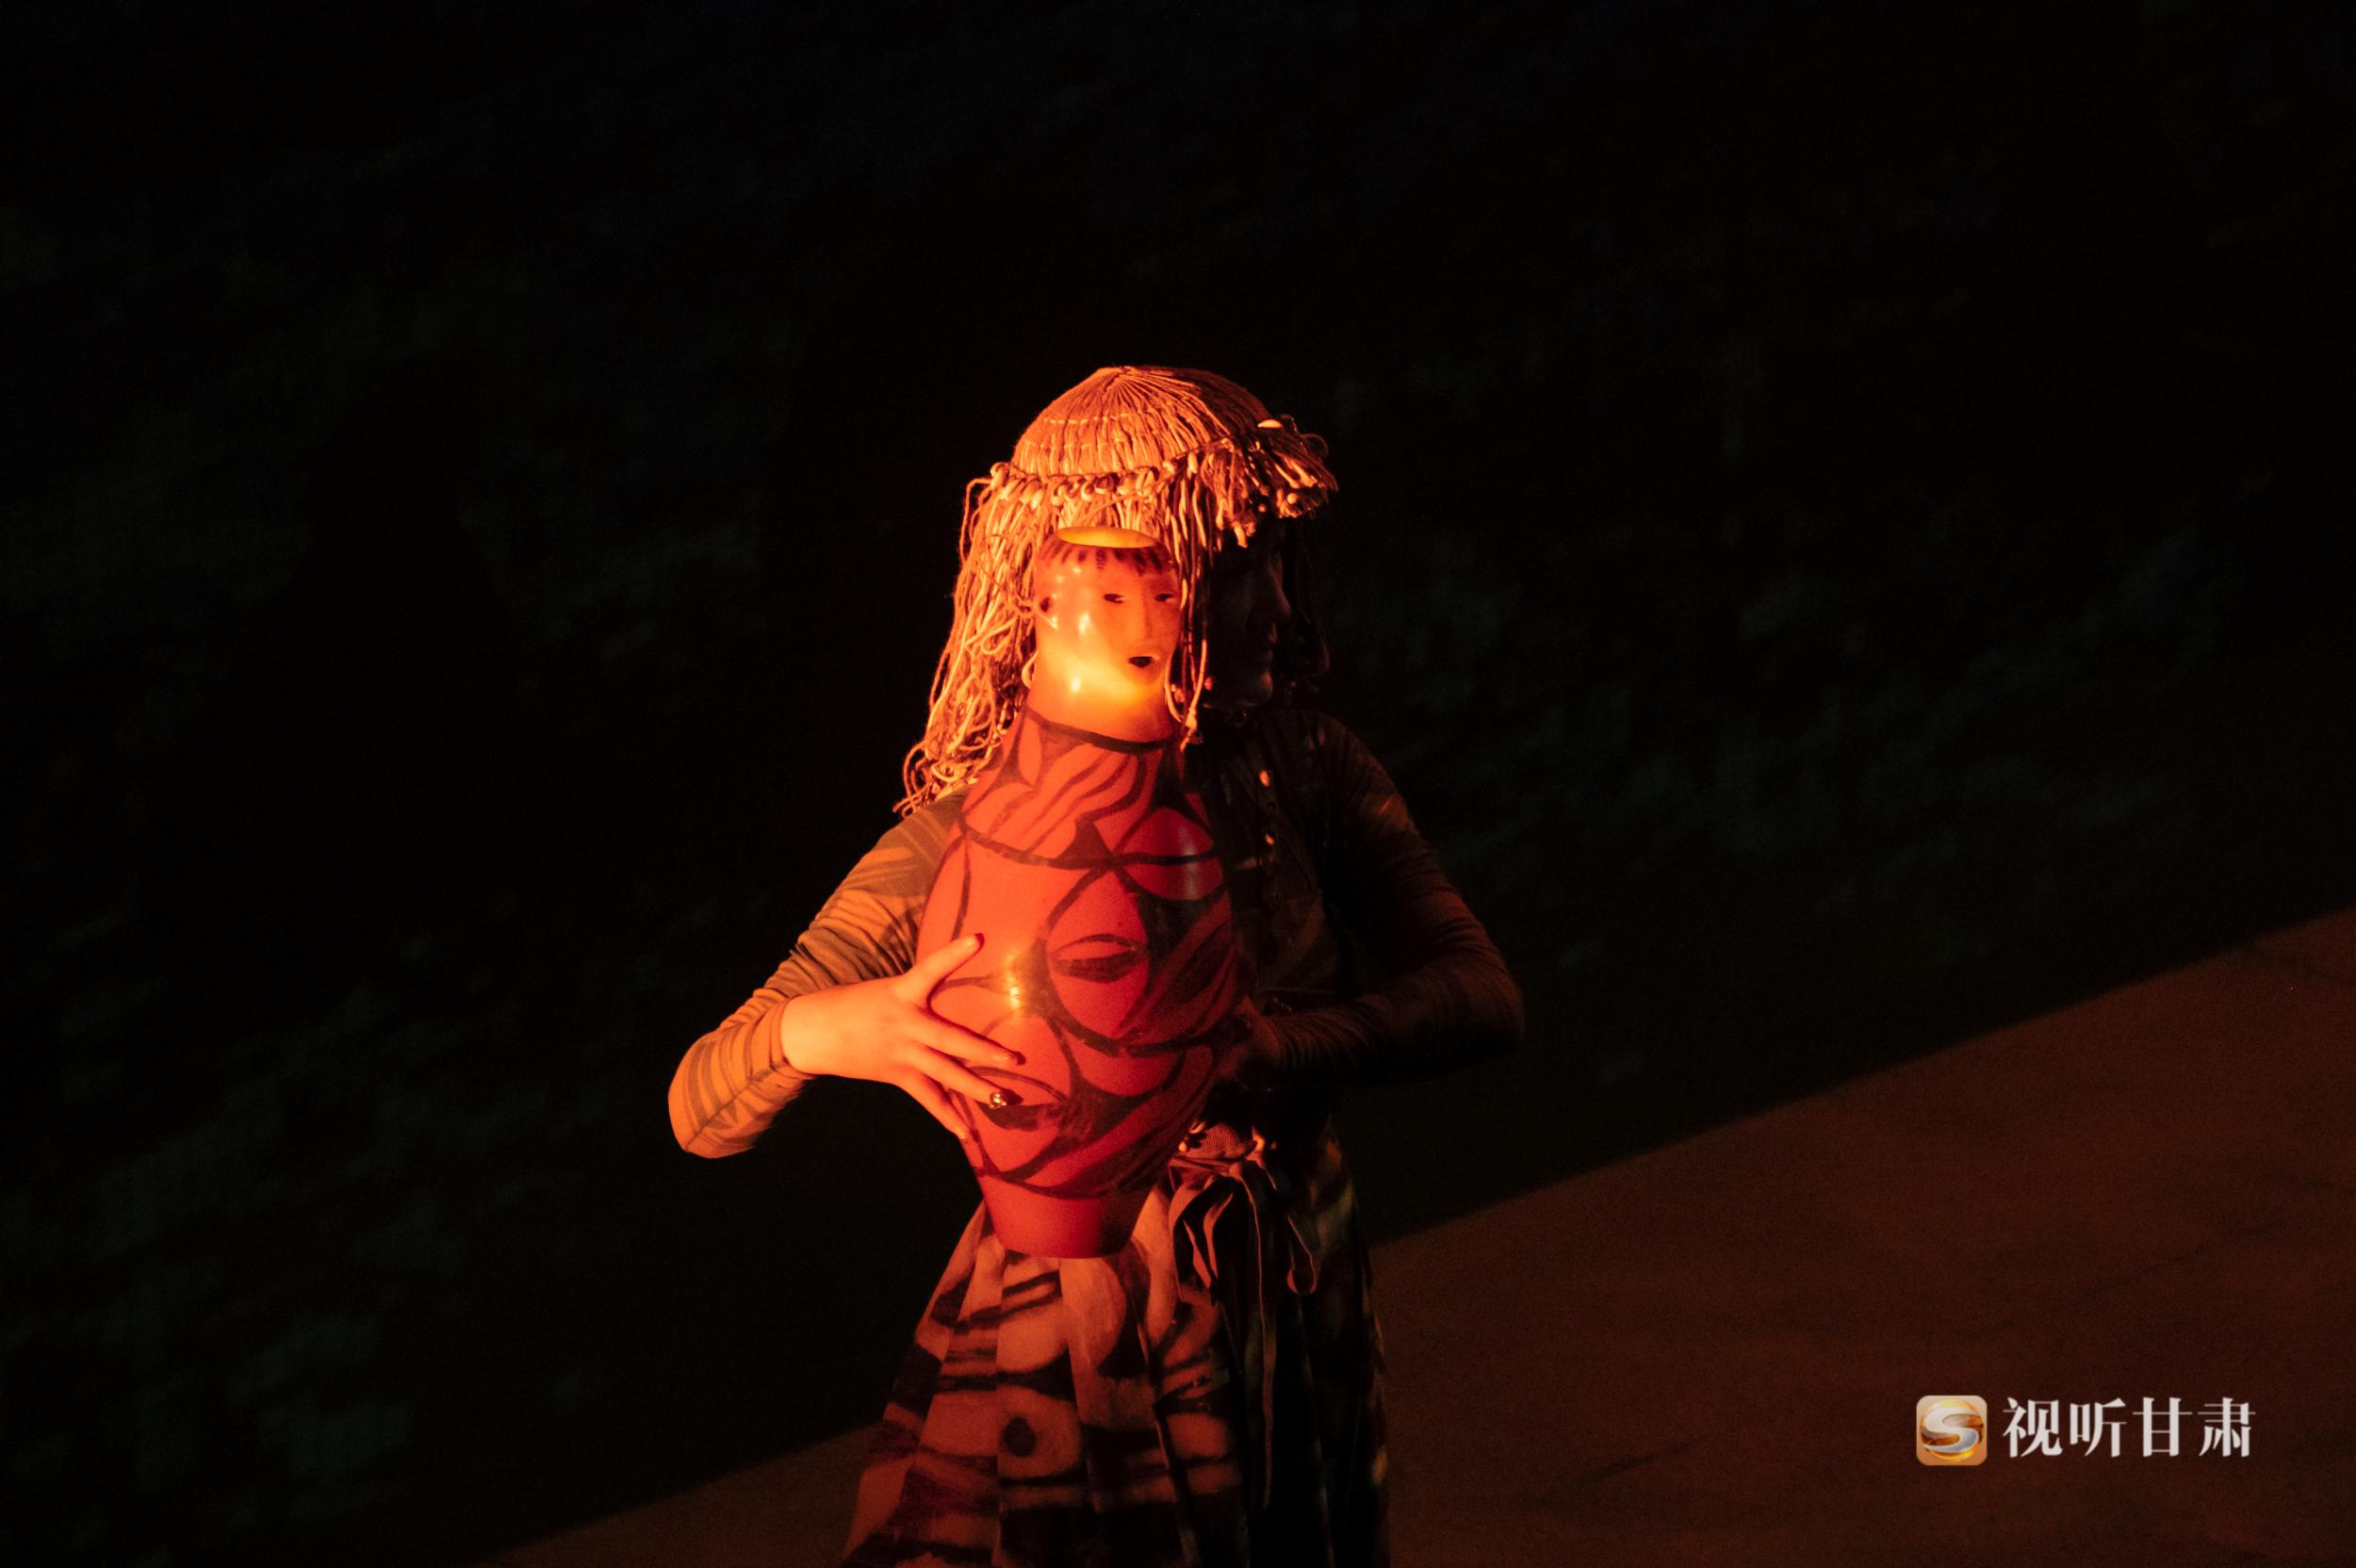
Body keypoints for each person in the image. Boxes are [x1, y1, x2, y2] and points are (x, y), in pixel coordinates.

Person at [668, 365, 1524, 1567]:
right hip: (1081, 1334)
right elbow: (698, 1105)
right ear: (1072, 593)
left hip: (1294, 1284)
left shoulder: (1305, 771)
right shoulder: (972, 836)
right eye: (1221, 571)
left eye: (1273, 559)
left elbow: (1482, 993)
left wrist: (1272, 1046)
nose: (1274, 601)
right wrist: (825, 1031)